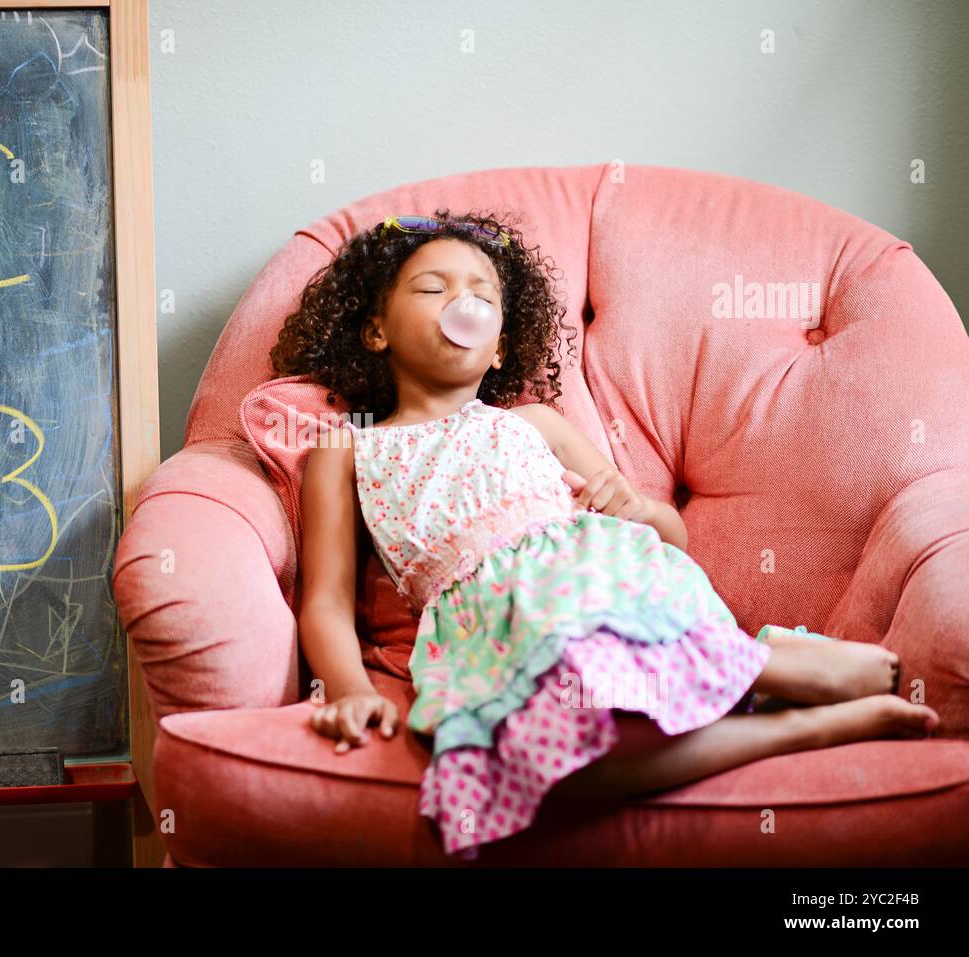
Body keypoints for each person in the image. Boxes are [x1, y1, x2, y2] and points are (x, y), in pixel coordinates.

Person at [270, 209, 939, 861]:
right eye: (433, 287)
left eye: (482, 292)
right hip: (487, 625)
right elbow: (325, 600)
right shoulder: (348, 451)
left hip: (593, 577)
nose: (461, 302)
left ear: (500, 342)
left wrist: (638, 507)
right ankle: (799, 721)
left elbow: (665, 532)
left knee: (576, 629)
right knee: (542, 780)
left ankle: (762, 665)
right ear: (376, 330)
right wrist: (351, 688)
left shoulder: (533, 423)